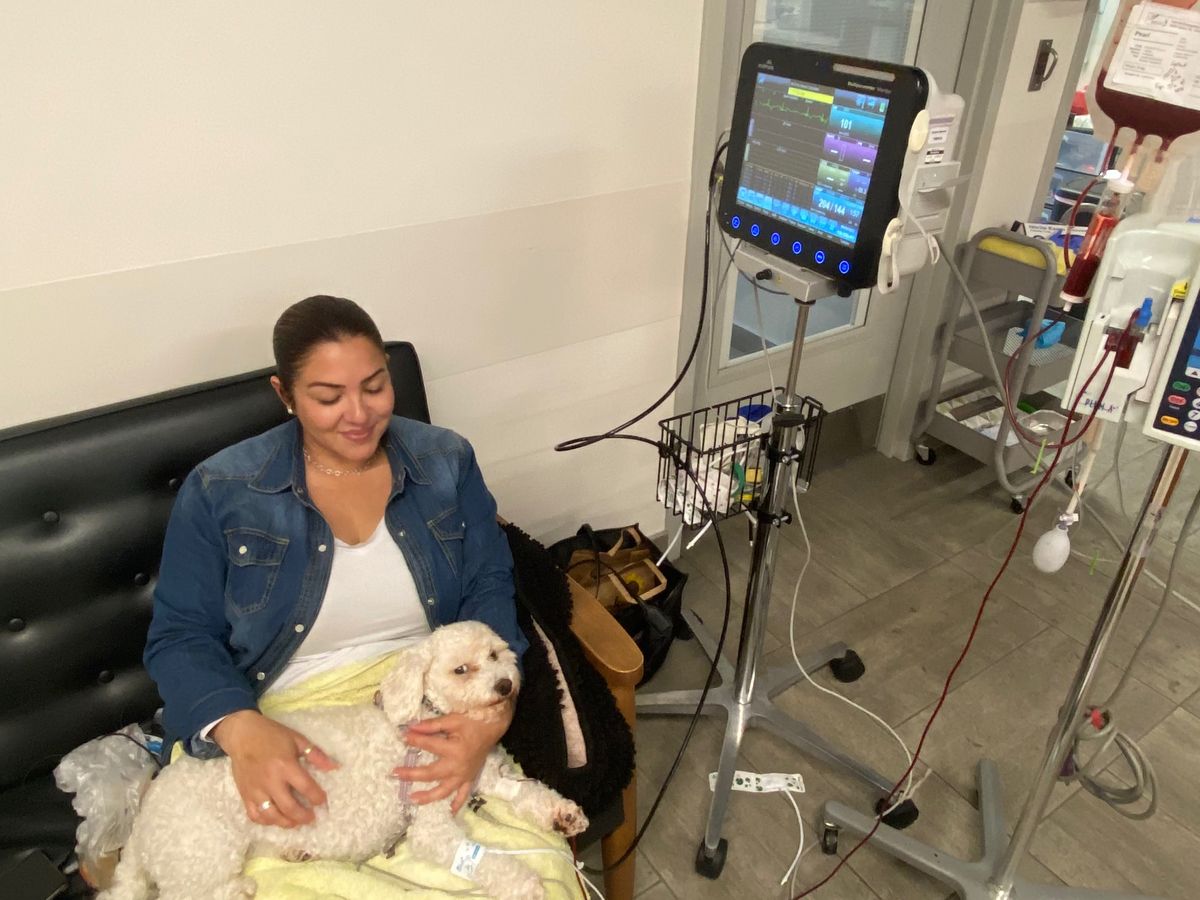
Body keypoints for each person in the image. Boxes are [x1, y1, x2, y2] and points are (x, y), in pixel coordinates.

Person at [144, 294, 528, 830]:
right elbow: (181, 636)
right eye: (329, 397)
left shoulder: (446, 461)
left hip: (426, 703)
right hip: (286, 716)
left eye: (374, 387)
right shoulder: (221, 489)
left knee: (508, 856)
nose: (360, 414)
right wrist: (240, 728)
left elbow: (489, 583)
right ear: (285, 394)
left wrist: (490, 715)